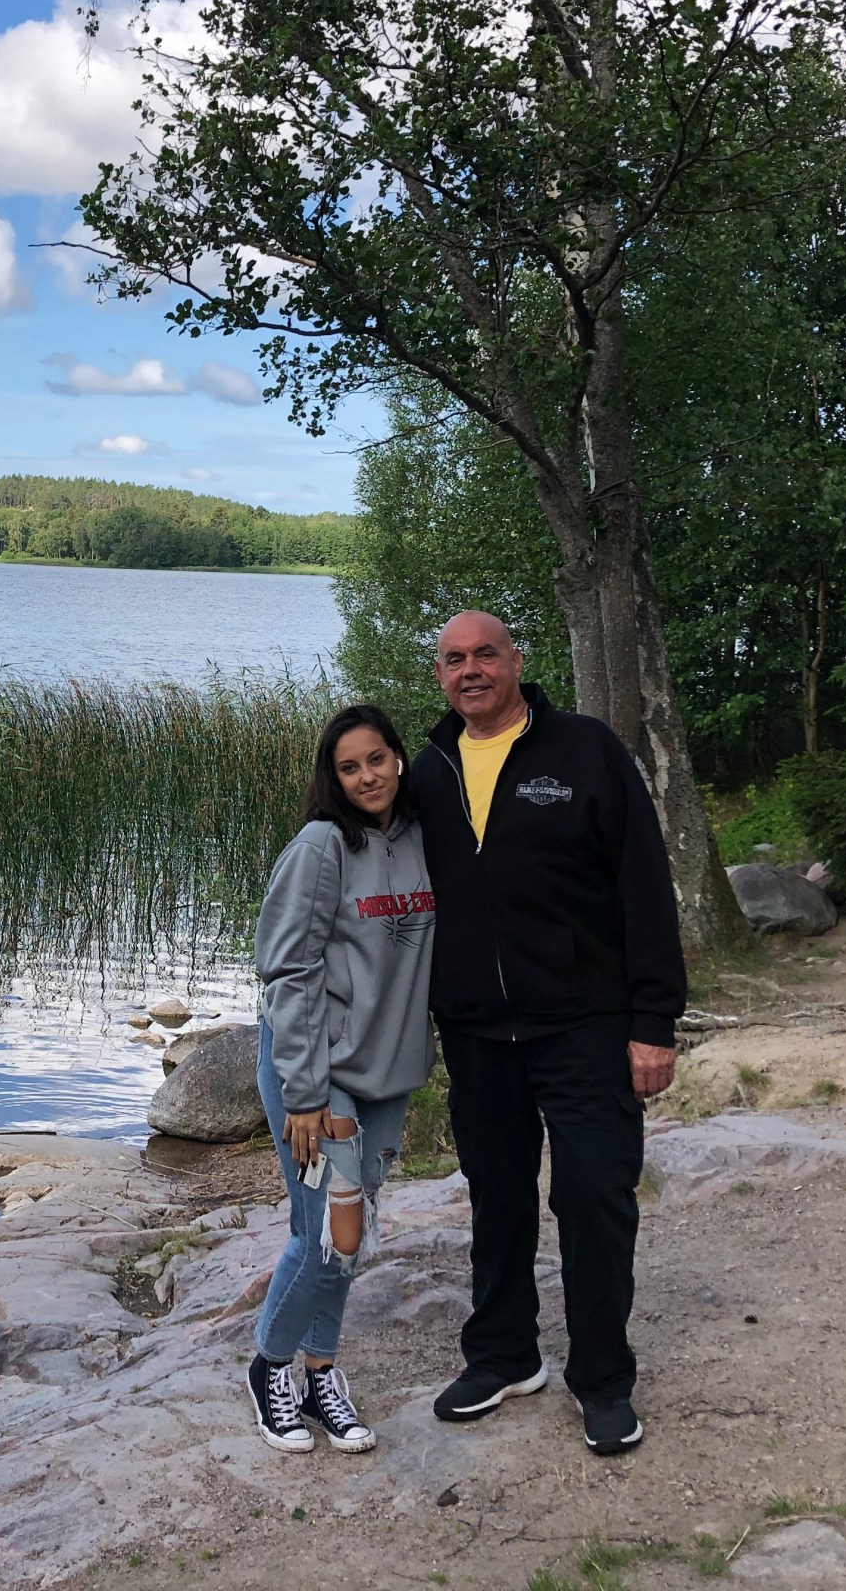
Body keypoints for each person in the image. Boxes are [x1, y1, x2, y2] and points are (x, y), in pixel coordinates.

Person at [413, 611, 685, 1455]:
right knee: (497, 1199)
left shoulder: (585, 750)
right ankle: (503, 1354)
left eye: (485, 654)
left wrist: (653, 1022)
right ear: (440, 677)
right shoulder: (428, 768)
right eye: (454, 660)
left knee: (594, 1199)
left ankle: (602, 1379)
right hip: (477, 1033)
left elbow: (644, 883)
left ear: (516, 663)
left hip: (586, 1026)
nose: (471, 671)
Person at [245, 704, 438, 1455]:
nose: (367, 776)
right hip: (319, 1072)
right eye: (349, 766)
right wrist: (303, 1091)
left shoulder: (424, 839)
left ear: (398, 760)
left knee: (348, 1245)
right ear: (333, 776)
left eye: (378, 760)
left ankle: (321, 1372)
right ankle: (270, 1369)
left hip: (389, 1069)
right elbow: (288, 967)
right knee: (328, 1230)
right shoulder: (321, 847)